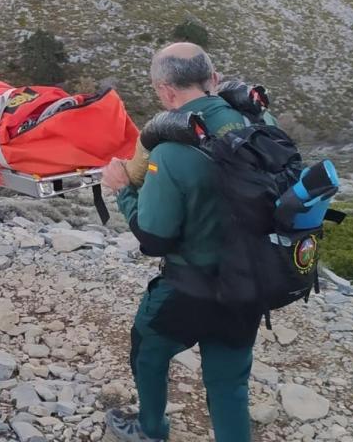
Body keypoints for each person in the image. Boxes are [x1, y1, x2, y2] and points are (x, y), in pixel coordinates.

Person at [100, 42, 266, 442]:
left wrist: (123, 189)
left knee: (148, 352)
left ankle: (151, 428)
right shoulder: (261, 123)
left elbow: (154, 238)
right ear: (213, 79)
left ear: (165, 92)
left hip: (189, 288)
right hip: (250, 283)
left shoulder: (173, 152)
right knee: (229, 383)